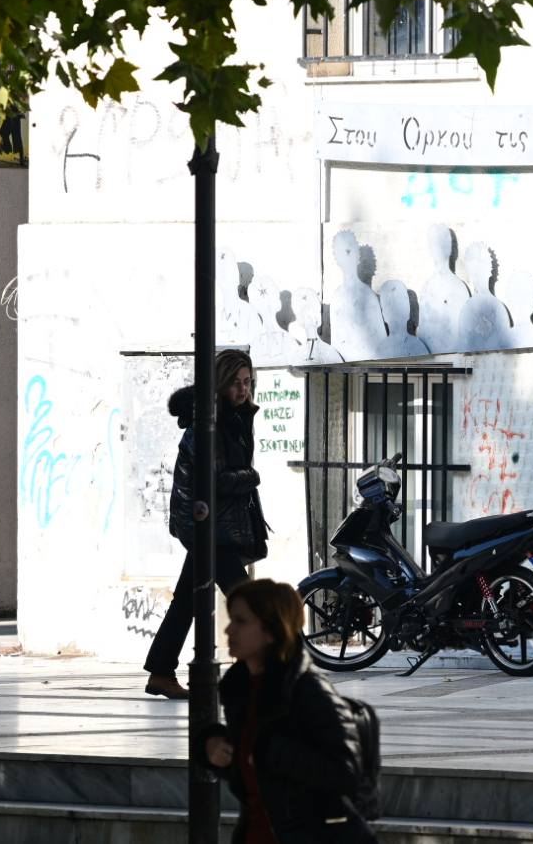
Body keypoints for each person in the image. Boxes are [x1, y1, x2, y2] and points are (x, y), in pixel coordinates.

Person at [198, 579, 378, 844]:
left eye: (241, 621)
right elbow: (254, 775)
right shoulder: (242, 689)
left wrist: (271, 751)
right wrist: (213, 746)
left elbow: (346, 773)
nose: (229, 630)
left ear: (271, 630)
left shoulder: (308, 690)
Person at [144, 349, 269, 699]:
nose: (243, 390)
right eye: (235, 383)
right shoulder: (210, 423)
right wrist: (251, 477)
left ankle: (161, 672)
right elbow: (216, 479)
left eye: (247, 382)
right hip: (208, 527)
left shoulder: (233, 417)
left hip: (214, 524)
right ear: (220, 384)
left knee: (186, 600)